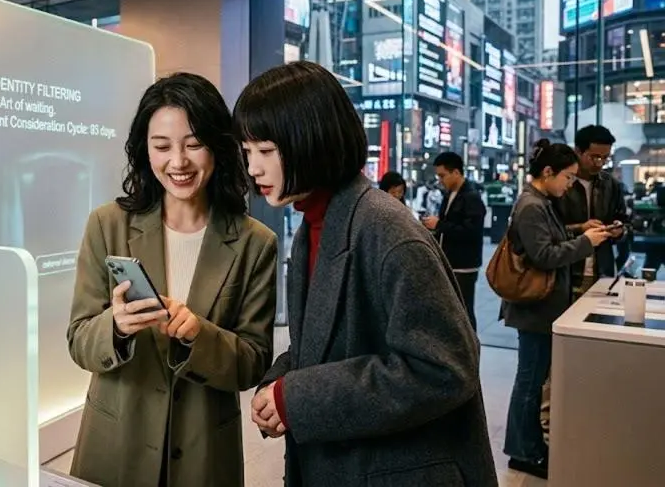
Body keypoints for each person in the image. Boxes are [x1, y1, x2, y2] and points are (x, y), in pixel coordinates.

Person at [237, 61, 496, 487]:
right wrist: (278, 385)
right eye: (247, 154)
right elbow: (323, 347)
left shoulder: (385, 228)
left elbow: (444, 368)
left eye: (265, 151)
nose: (254, 169)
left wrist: (297, 397)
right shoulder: (313, 226)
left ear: (312, 139)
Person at [66, 73, 277, 487]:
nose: (177, 162)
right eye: (162, 146)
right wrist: (117, 327)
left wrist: (201, 334)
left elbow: (253, 362)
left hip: (203, 454)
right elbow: (78, 339)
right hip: (115, 445)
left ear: (218, 147)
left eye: (194, 144)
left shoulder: (255, 242)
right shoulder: (108, 225)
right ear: (144, 150)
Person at [501, 140, 611, 479]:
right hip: (535, 309)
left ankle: (529, 447)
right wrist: (585, 243)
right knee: (530, 383)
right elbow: (544, 255)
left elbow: (552, 238)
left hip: (543, 308)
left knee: (533, 381)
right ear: (547, 172)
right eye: (567, 177)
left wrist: (579, 229)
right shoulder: (532, 205)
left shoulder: (541, 201)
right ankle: (523, 452)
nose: (569, 185)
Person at [554, 125, 628, 298]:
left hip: (602, 271)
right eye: (594, 157)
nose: (599, 163)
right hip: (567, 272)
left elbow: (625, 222)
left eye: (605, 158)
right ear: (578, 151)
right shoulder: (560, 184)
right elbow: (549, 231)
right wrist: (581, 228)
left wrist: (619, 230)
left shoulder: (611, 184)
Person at [424, 152, 487, 331]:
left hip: (463, 265)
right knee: (453, 310)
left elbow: (472, 232)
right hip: (451, 261)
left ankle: (470, 350)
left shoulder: (471, 197)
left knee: (464, 310)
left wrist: (440, 224)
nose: (440, 180)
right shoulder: (450, 193)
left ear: (456, 172)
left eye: (442, 175)